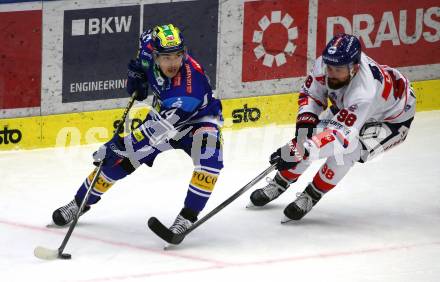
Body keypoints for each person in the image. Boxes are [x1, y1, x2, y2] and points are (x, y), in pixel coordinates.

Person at [52, 24, 224, 234]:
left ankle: (186, 219)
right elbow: (140, 57)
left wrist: (118, 145)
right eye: (167, 57)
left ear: (183, 54)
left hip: (199, 120)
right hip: (163, 113)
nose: (173, 63)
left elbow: (155, 132)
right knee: (121, 162)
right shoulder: (147, 47)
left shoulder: (189, 88)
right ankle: (79, 203)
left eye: (177, 56)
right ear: (155, 54)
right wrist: (136, 75)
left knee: (210, 161)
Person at [248, 33, 416, 222]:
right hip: (350, 106)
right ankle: (280, 182)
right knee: (307, 139)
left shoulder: (364, 92)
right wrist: (304, 128)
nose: (332, 73)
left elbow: (339, 138)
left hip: (391, 120)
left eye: (339, 69)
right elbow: (311, 95)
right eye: (330, 67)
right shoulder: (325, 63)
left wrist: (299, 150)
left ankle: (312, 195)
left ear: (354, 68)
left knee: (347, 152)